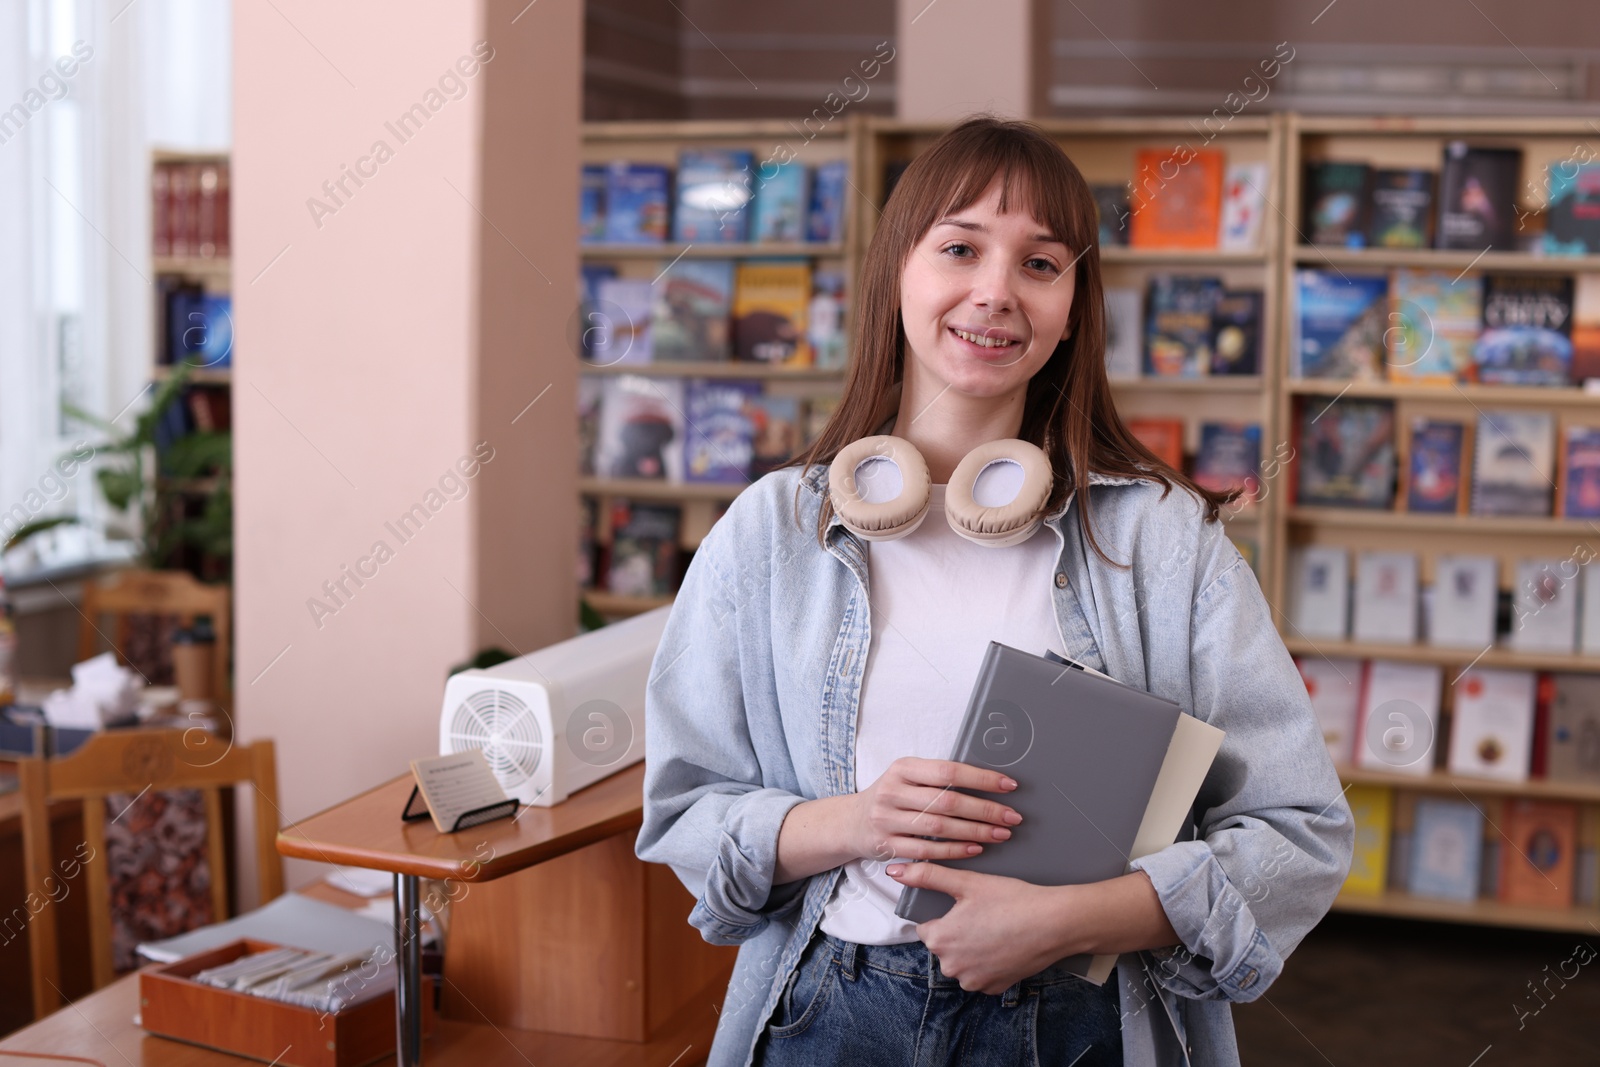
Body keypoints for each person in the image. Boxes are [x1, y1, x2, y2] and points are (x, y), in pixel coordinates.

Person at [635, 113, 1353, 1067]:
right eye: (961, 247)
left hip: (1078, 1024)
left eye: (1041, 264)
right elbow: (686, 814)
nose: (995, 292)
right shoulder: (771, 531)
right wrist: (854, 820)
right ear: (898, 270)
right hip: (829, 1013)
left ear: (1071, 306)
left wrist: (1067, 920)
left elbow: (1299, 832)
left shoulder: (1162, 538)